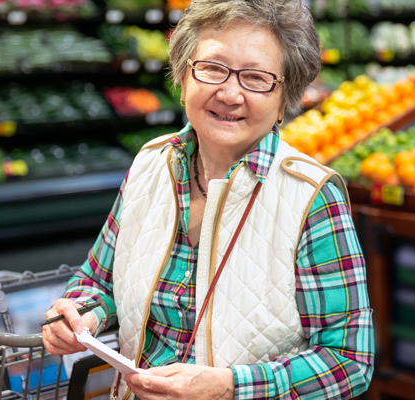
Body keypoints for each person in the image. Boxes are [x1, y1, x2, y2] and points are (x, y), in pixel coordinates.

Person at [42, 1, 374, 398]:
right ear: (183, 77)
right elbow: (99, 280)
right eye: (213, 69)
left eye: (256, 78)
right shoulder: (151, 164)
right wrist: (79, 316)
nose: (230, 93)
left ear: (285, 97)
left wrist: (230, 387)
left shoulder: (312, 198)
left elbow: (350, 361)